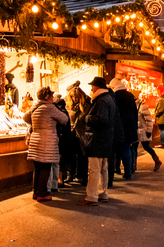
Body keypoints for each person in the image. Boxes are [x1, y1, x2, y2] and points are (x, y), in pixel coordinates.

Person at [78, 76, 122, 206]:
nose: (91, 88)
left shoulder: (101, 101)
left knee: (94, 170)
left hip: (97, 139)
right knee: (103, 169)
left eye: (92, 86)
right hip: (106, 139)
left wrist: (88, 118)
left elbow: (102, 120)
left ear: (97, 87)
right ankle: (103, 193)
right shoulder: (109, 99)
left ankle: (91, 196)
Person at [26, 89, 71, 201]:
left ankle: (35, 192)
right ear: (46, 96)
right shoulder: (50, 108)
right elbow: (65, 119)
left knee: (37, 168)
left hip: (36, 141)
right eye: (51, 95)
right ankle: (42, 194)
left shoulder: (35, 107)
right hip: (47, 142)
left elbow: (25, 117)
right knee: (45, 168)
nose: (52, 98)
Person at [111, 79, 139, 182]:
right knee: (127, 148)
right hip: (129, 127)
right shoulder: (129, 96)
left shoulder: (115, 97)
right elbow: (135, 113)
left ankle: (117, 169)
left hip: (120, 126)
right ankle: (129, 171)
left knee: (118, 150)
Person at [138, 96, 163, 171]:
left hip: (144, 131)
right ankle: (133, 165)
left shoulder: (142, 107)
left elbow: (148, 120)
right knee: (133, 148)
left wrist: (149, 131)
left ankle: (157, 160)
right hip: (137, 130)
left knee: (146, 147)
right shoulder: (134, 106)